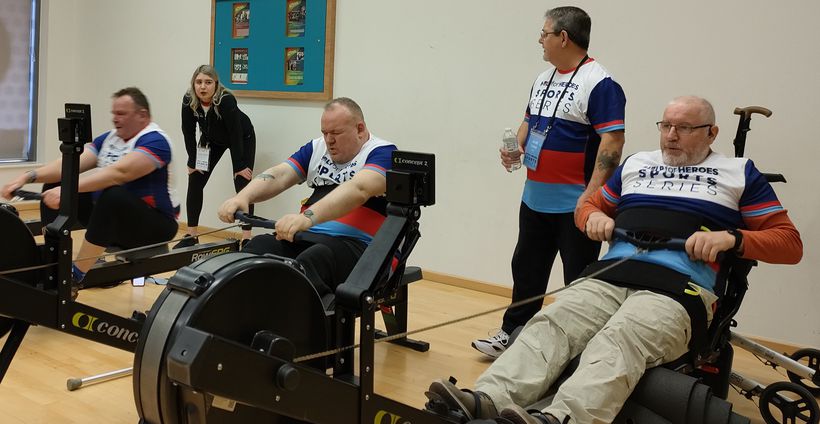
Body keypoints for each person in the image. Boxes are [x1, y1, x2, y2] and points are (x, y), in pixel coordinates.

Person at [429, 96, 802, 424]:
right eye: (666, 125)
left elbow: (789, 243)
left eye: (684, 127)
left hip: (677, 290)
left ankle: (561, 418)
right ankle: (486, 399)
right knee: (551, 322)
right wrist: (594, 216)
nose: (671, 135)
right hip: (608, 277)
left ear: (711, 132)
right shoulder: (637, 163)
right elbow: (587, 206)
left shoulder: (738, 174)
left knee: (621, 337)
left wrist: (732, 238)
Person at [473, 6, 627, 358]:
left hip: (576, 202)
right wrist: (517, 149)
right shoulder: (543, 78)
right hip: (535, 197)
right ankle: (513, 334)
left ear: (563, 37)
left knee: (578, 279)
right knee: (526, 268)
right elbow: (529, 120)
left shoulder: (600, 82)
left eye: (544, 33)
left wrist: (592, 197)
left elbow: (612, 142)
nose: (539, 40)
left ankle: (576, 350)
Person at [217, 97, 396, 297]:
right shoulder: (317, 148)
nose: (329, 140)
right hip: (309, 237)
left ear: (360, 129)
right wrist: (242, 197)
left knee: (314, 260)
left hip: (358, 247)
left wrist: (306, 217)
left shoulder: (383, 153)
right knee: (258, 248)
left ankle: (294, 324)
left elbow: (359, 189)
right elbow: (281, 175)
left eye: (336, 133)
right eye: (325, 133)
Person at [1, 87, 179, 286]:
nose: (115, 119)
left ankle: (76, 275)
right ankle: (55, 262)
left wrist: (67, 191)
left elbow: (119, 174)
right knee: (57, 183)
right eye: (113, 113)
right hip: (116, 219)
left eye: (121, 114)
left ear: (142, 115)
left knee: (112, 195)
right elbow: (68, 166)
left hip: (157, 226)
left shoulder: (156, 140)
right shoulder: (110, 138)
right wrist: (27, 177)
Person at [175, 64, 256, 248]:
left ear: (216, 84)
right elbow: (188, 131)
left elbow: (235, 133)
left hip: (242, 137)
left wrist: (239, 165)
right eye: (199, 82)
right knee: (195, 180)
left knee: (243, 184)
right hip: (212, 140)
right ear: (193, 84)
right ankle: (191, 235)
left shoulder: (225, 100)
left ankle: (247, 237)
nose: (203, 87)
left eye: (208, 82)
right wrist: (192, 160)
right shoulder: (189, 100)